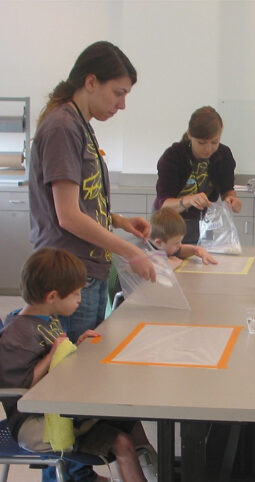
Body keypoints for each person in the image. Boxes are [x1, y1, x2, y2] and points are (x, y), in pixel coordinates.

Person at [28, 40, 156, 482]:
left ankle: (80, 472)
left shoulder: (80, 124)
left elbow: (80, 201)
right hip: (68, 275)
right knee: (72, 391)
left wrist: (120, 220)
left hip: (87, 272)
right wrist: (130, 250)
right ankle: (69, 475)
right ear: (90, 81)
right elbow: (66, 215)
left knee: (84, 383)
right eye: (117, 93)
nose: (121, 105)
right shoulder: (63, 127)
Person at [0, 248, 154, 482]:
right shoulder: (17, 335)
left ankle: (156, 470)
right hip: (34, 425)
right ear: (52, 296)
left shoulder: (45, 318)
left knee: (130, 423)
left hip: (55, 410)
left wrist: (75, 346)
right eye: (75, 294)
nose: (80, 300)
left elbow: (58, 358)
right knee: (122, 440)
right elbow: (22, 390)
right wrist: (52, 355)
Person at [154, 106, 242, 244]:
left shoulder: (223, 155)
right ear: (190, 135)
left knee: (200, 260)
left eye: (214, 142)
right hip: (169, 224)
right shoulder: (173, 156)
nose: (208, 149)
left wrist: (232, 200)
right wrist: (189, 200)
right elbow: (164, 205)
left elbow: (227, 190)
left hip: (201, 222)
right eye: (201, 143)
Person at [149, 207, 217, 269]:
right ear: (158, 242)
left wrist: (196, 249)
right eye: (176, 243)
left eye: (180, 241)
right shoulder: (146, 251)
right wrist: (174, 263)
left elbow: (180, 250)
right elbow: (157, 268)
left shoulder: (165, 246)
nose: (180, 245)